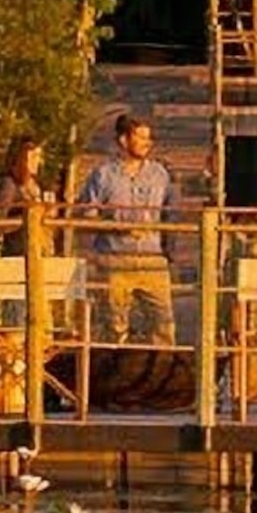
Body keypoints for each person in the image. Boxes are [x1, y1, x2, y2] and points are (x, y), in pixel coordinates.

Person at [77, 111, 175, 343]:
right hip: (115, 258)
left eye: (148, 138)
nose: (146, 143)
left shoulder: (159, 174)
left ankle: (163, 364)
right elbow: (85, 215)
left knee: (164, 324)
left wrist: (168, 251)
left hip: (152, 259)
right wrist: (115, 227)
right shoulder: (102, 175)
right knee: (114, 326)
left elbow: (170, 212)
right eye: (140, 137)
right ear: (124, 140)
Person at [0, 134, 48, 259]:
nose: (37, 162)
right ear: (23, 159)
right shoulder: (10, 184)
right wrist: (24, 221)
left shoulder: (36, 185)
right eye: (33, 157)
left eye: (38, 157)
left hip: (37, 248)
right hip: (17, 249)